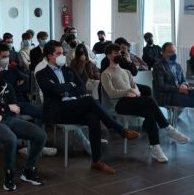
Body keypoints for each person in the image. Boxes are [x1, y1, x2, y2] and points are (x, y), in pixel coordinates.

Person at [36, 41, 140, 174]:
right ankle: (119, 129)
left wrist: (66, 89)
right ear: (50, 56)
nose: (62, 56)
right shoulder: (42, 73)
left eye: (62, 53)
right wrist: (70, 86)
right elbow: (53, 90)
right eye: (59, 54)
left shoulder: (69, 70)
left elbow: (81, 87)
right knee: (89, 100)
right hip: (57, 110)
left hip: (74, 106)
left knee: (93, 117)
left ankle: (96, 161)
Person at [101, 44, 189, 163]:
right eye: (115, 53)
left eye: (119, 53)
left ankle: (155, 147)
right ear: (108, 56)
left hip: (131, 100)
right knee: (149, 99)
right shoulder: (106, 73)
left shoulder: (126, 72)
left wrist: (134, 92)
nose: (118, 55)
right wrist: (128, 91)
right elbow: (111, 93)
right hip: (119, 104)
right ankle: (168, 128)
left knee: (149, 112)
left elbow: (135, 88)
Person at [0, 59, 46, 191]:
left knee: (40, 135)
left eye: (0, 69)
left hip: (8, 119)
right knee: (11, 139)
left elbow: (15, 108)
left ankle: (29, 170)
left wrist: (1, 114)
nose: (0, 72)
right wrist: (6, 108)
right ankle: (9, 174)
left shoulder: (7, 86)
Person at [0, 44, 58, 156]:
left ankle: (37, 145)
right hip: (6, 105)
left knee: (42, 112)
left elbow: (27, 83)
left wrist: (16, 88)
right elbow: (1, 91)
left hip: (21, 102)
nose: (7, 59)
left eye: (8, 56)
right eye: (3, 56)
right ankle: (28, 147)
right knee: (20, 118)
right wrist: (15, 87)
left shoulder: (12, 69)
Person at [152, 42, 194, 144]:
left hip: (179, 92)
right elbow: (160, 86)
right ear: (163, 53)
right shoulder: (158, 66)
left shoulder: (177, 65)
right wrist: (178, 89)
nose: (174, 54)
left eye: (175, 51)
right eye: (170, 52)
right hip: (166, 96)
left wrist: (184, 85)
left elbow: (184, 80)